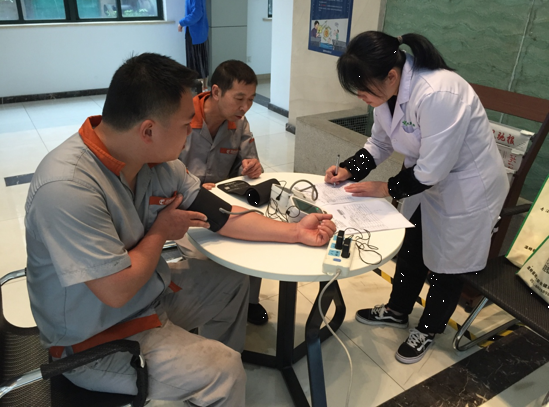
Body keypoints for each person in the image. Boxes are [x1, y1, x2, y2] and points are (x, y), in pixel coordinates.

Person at [25, 53, 336, 405]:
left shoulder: (155, 164)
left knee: (232, 281)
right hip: (96, 340)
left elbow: (222, 215)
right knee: (225, 370)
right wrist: (160, 232)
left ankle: (203, 380)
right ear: (148, 130)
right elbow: (116, 290)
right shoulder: (68, 186)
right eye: (187, 125)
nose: (191, 134)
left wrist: (296, 232)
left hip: (148, 299)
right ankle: (216, 379)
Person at [325, 31, 509, 364]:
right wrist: (349, 168)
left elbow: (432, 170)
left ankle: (428, 329)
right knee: (412, 248)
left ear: (391, 76)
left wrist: (386, 188)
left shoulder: (439, 92)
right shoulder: (387, 92)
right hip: (425, 181)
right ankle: (397, 310)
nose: (361, 96)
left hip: (466, 189)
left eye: (364, 89)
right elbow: (380, 143)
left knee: (447, 266)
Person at [177, 59, 267, 325]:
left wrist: (250, 166)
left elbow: (248, 163)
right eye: (239, 98)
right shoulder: (181, 119)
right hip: (184, 206)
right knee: (205, 257)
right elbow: (161, 171)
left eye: (250, 100)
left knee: (257, 238)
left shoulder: (239, 123)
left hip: (223, 202)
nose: (245, 107)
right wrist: (192, 186)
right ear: (216, 92)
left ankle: (249, 302)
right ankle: (208, 306)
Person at [178, 0, 209, 90]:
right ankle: (203, 88)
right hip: (199, 34)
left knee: (197, 63)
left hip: (195, 34)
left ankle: (200, 90)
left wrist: (181, 23)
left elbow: (196, 14)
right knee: (201, 62)